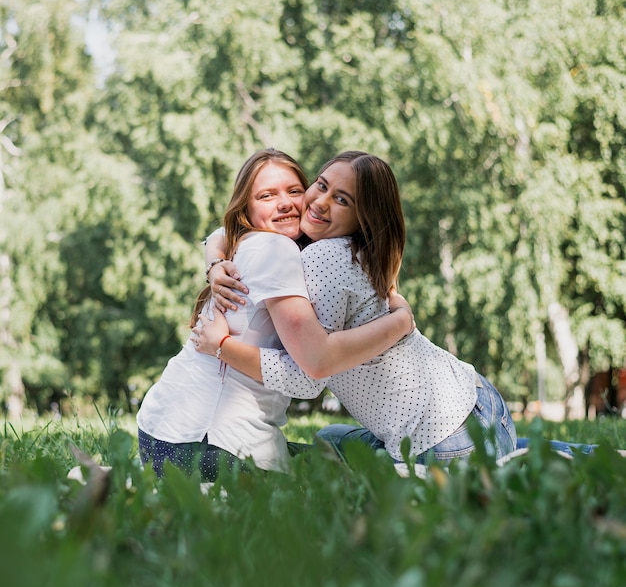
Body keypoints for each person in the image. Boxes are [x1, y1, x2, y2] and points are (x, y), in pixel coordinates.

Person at [195, 151, 518, 467]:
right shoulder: (337, 248)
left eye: (342, 200)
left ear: (364, 217)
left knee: (338, 477)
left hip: (447, 436)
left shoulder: (325, 257)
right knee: (330, 437)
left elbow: (310, 372)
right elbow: (229, 230)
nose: (321, 202)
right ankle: (517, 452)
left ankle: (513, 458)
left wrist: (222, 347)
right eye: (321, 186)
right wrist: (216, 262)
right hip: (476, 402)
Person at [136, 148, 413, 481]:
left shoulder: (249, 242)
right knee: (350, 481)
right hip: (211, 445)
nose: (284, 203)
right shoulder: (277, 249)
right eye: (267, 195)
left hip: (157, 435)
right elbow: (312, 374)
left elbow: (219, 234)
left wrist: (213, 260)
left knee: (326, 457)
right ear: (247, 209)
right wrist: (398, 321)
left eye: (294, 191)